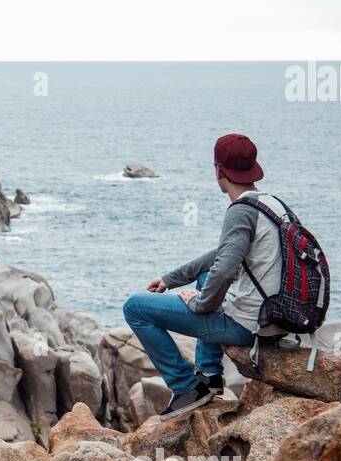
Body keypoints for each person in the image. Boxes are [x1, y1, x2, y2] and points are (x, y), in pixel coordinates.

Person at [122, 133, 289, 421]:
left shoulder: (241, 211)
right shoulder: (272, 204)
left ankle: (186, 387)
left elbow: (224, 269)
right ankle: (210, 376)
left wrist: (199, 304)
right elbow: (221, 254)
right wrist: (171, 279)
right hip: (277, 318)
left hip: (248, 326)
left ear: (219, 170)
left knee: (135, 308)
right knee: (203, 279)